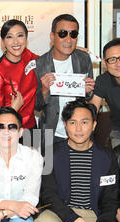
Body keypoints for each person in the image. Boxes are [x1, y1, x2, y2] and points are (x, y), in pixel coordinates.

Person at [34, 99, 120, 222]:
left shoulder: (107, 156)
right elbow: (49, 195)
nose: (78, 129)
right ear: (65, 125)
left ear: (94, 125)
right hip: (63, 212)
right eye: (73, 122)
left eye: (84, 122)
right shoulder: (51, 153)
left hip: (94, 214)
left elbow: (111, 198)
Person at [35, 14, 95, 146]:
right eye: (63, 33)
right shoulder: (39, 64)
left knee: (80, 166)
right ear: (52, 36)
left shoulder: (83, 58)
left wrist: (87, 91)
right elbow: (36, 106)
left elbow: (89, 96)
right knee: (49, 167)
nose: (68, 39)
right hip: (51, 133)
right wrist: (44, 91)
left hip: (79, 132)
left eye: (73, 34)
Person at [0, 20, 39, 141]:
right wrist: (13, 109)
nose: (16, 42)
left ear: (26, 38)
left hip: (32, 127)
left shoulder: (28, 55)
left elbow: (50, 58)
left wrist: (74, 49)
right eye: (9, 37)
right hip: (10, 131)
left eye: (20, 35)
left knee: (36, 159)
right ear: (3, 42)